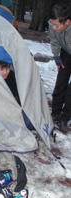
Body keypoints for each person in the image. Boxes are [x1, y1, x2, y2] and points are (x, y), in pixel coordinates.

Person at [48, 4, 71, 133]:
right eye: (52, 24)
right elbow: (54, 41)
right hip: (66, 53)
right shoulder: (53, 26)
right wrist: (57, 57)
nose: (54, 28)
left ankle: (65, 117)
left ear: (67, 22)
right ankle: (56, 112)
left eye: (57, 25)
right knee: (61, 80)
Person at [0, 60, 34, 130]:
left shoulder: (12, 77)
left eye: (7, 68)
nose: (5, 72)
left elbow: (17, 99)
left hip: (12, 105)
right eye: (1, 69)